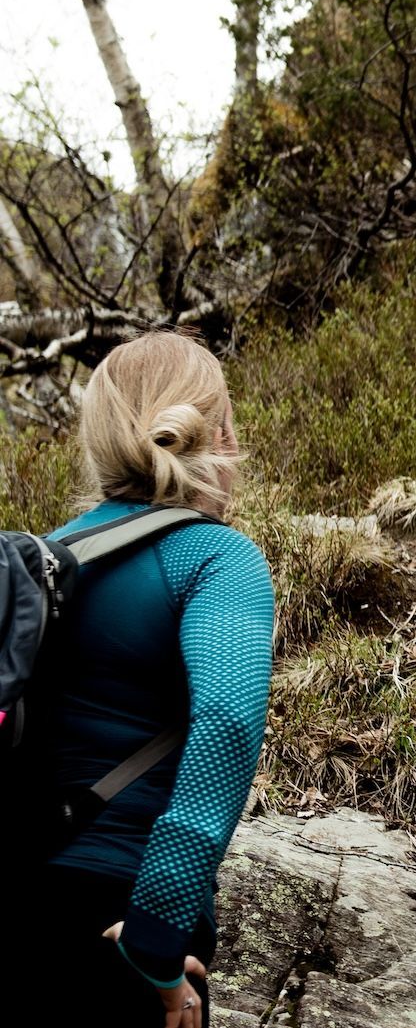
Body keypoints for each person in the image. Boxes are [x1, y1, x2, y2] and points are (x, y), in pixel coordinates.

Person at [3, 331, 275, 1025]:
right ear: (220, 433)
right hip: (120, 926)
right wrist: (156, 934)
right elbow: (228, 721)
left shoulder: (41, 566)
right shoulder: (216, 557)